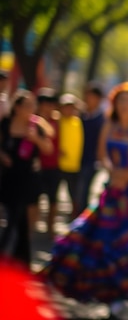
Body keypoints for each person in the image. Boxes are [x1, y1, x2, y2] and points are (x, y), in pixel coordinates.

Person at [40, 82, 128, 318]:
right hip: (112, 192)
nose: (125, 105)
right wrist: (112, 172)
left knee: (127, 247)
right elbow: (102, 155)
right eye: (121, 100)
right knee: (92, 238)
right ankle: (97, 291)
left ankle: (119, 298)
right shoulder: (109, 124)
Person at [0, 90, 53, 266]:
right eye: (28, 105)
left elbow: (48, 149)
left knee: (19, 217)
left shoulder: (36, 126)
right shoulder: (6, 123)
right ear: (17, 107)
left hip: (28, 178)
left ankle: (14, 259)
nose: (32, 109)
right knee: (14, 217)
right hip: (7, 176)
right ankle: (19, 260)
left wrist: (36, 139)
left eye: (33, 105)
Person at [36, 88, 62, 236]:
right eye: (46, 104)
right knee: (35, 198)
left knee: (53, 199)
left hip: (53, 166)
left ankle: (50, 227)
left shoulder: (58, 121)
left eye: (52, 104)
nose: (49, 107)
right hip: (36, 166)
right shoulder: (33, 121)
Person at [76, 84, 105, 213]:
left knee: (83, 191)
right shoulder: (80, 116)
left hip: (91, 160)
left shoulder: (103, 120)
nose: (87, 99)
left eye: (91, 96)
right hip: (76, 159)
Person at [57, 93, 84, 218]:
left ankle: (75, 216)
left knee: (74, 193)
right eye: (66, 106)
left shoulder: (78, 122)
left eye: (71, 107)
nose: (69, 110)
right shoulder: (57, 121)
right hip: (58, 164)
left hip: (74, 165)